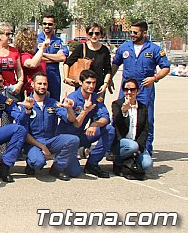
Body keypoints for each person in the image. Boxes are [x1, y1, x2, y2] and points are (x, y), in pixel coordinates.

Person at [110, 20, 170, 153]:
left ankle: (145, 149)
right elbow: (115, 64)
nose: (132, 34)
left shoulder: (154, 49)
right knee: (119, 115)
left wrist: (155, 78)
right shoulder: (125, 47)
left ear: (144, 33)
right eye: (130, 32)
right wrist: (109, 79)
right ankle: (116, 148)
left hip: (144, 88)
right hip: (127, 88)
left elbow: (166, 68)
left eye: (135, 32)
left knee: (146, 118)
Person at [56, 70, 115, 178]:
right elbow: (76, 124)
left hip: (80, 136)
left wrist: (94, 125)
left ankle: (92, 164)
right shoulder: (71, 99)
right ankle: (60, 162)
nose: (91, 86)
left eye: (94, 83)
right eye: (88, 82)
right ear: (80, 82)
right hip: (67, 139)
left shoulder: (96, 98)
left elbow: (106, 117)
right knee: (75, 172)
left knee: (109, 129)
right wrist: (85, 111)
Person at [22, 72, 79, 181]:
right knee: (38, 162)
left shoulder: (53, 103)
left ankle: (57, 168)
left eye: (45, 84)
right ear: (32, 85)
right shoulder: (27, 104)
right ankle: (30, 164)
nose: (42, 86)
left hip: (51, 140)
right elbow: (23, 132)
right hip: (33, 142)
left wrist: (69, 108)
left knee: (73, 140)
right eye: (39, 83)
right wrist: (42, 147)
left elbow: (71, 119)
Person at [111, 79, 153, 180]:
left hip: (136, 143)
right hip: (122, 142)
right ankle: (118, 160)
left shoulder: (143, 107)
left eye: (132, 89)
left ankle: (129, 160)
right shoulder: (117, 104)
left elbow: (145, 129)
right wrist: (124, 112)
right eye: (126, 89)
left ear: (137, 91)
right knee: (132, 146)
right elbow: (117, 124)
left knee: (147, 164)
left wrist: (140, 147)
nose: (129, 92)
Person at [63, 23, 112, 92]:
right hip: (82, 88)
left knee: (98, 102)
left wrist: (105, 84)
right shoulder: (81, 48)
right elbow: (67, 63)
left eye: (97, 33)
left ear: (101, 34)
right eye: (91, 33)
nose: (94, 36)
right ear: (87, 34)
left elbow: (108, 69)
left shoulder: (104, 50)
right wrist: (66, 77)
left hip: (98, 87)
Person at [37, 14, 69, 100]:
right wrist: (54, 58)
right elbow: (33, 58)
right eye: (45, 23)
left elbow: (62, 58)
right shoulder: (35, 39)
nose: (47, 26)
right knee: (38, 100)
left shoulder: (59, 41)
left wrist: (41, 54)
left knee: (54, 101)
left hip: (54, 76)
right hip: (38, 74)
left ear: (54, 25)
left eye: (50, 24)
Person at [14, 27, 47, 97]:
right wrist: (42, 49)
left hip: (41, 89)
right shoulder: (24, 56)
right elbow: (33, 64)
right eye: (35, 40)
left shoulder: (34, 55)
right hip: (30, 91)